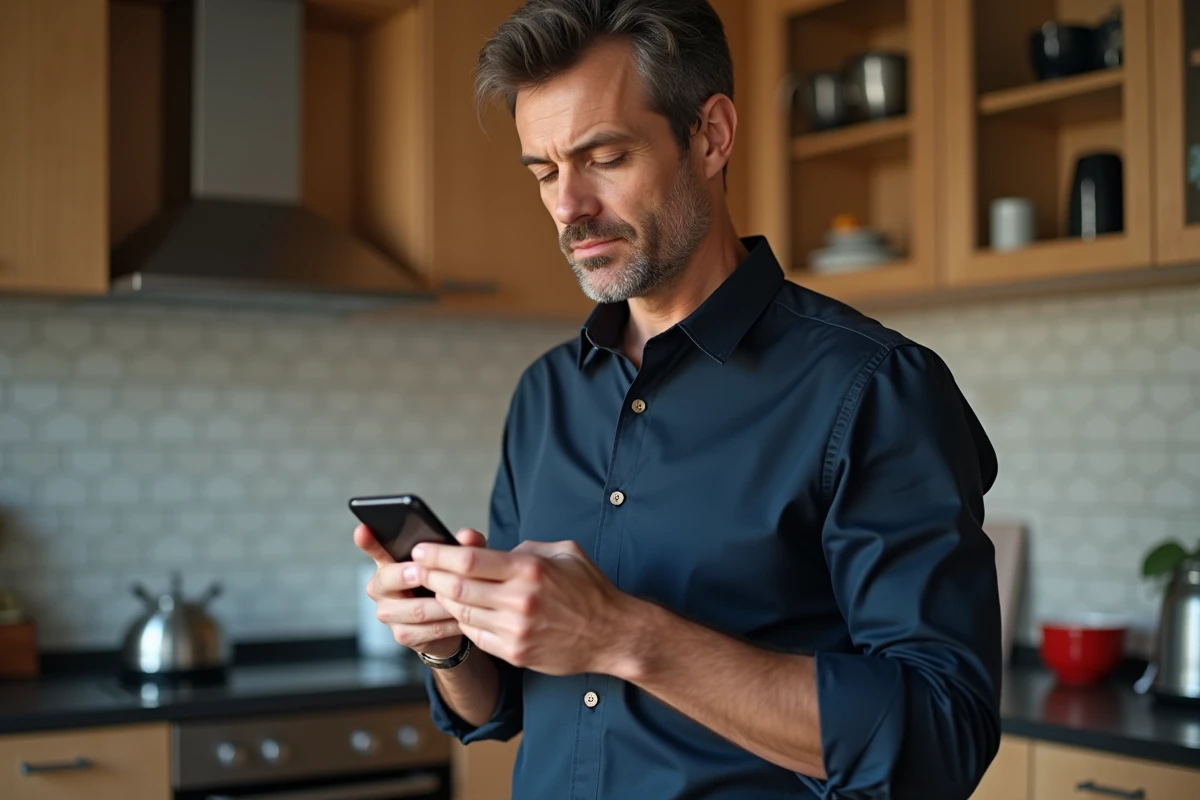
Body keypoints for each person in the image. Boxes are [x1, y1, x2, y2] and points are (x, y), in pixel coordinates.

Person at [354, 1, 1002, 796]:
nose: (568, 207)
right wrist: (451, 641)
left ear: (711, 135)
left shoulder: (872, 387)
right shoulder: (546, 394)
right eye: (546, 172)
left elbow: (943, 736)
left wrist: (622, 634)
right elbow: (507, 703)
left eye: (605, 156)